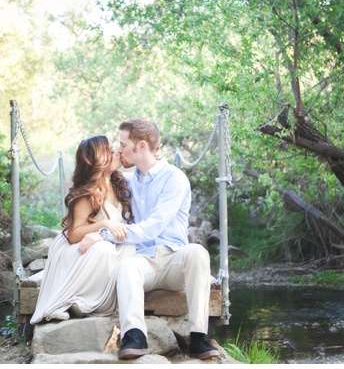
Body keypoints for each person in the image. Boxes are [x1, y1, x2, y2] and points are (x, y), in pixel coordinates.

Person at [79, 118, 221, 360]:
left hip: (174, 259)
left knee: (197, 252)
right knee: (126, 267)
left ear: (141, 146)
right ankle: (135, 335)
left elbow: (152, 228)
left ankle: (198, 337)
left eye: (123, 144)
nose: (119, 149)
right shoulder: (128, 182)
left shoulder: (174, 179)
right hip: (143, 261)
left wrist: (102, 234)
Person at [29, 136, 136, 324]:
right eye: (111, 151)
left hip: (103, 247)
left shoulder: (120, 183)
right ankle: (64, 302)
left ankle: (87, 303)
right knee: (104, 249)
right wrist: (104, 225)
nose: (117, 152)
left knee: (128, 249)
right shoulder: (88, 193)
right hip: (78, 249)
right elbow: (73, 235)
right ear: (100, 160)